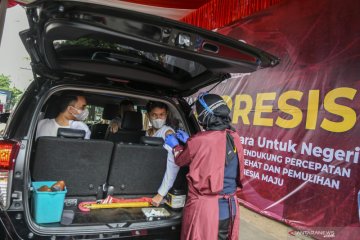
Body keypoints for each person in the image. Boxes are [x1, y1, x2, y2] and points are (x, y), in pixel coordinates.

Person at [165, 93, 244, 240]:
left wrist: (175, 146)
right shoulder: (234, 136)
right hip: (230, 208)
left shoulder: (200, 140)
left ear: (203, 116)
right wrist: (190, 141)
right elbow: (214, 154)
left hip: (208, 211)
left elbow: (181, 160)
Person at [146, 101, 179, 207]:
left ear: (166, 115)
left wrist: (161, 193)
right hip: (146, 176)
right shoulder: (148, 132)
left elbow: (174, 163)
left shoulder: (168, 133)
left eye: (161, 115)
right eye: (154, 115)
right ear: (148, 116)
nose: (158, 118)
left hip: (158, 184)